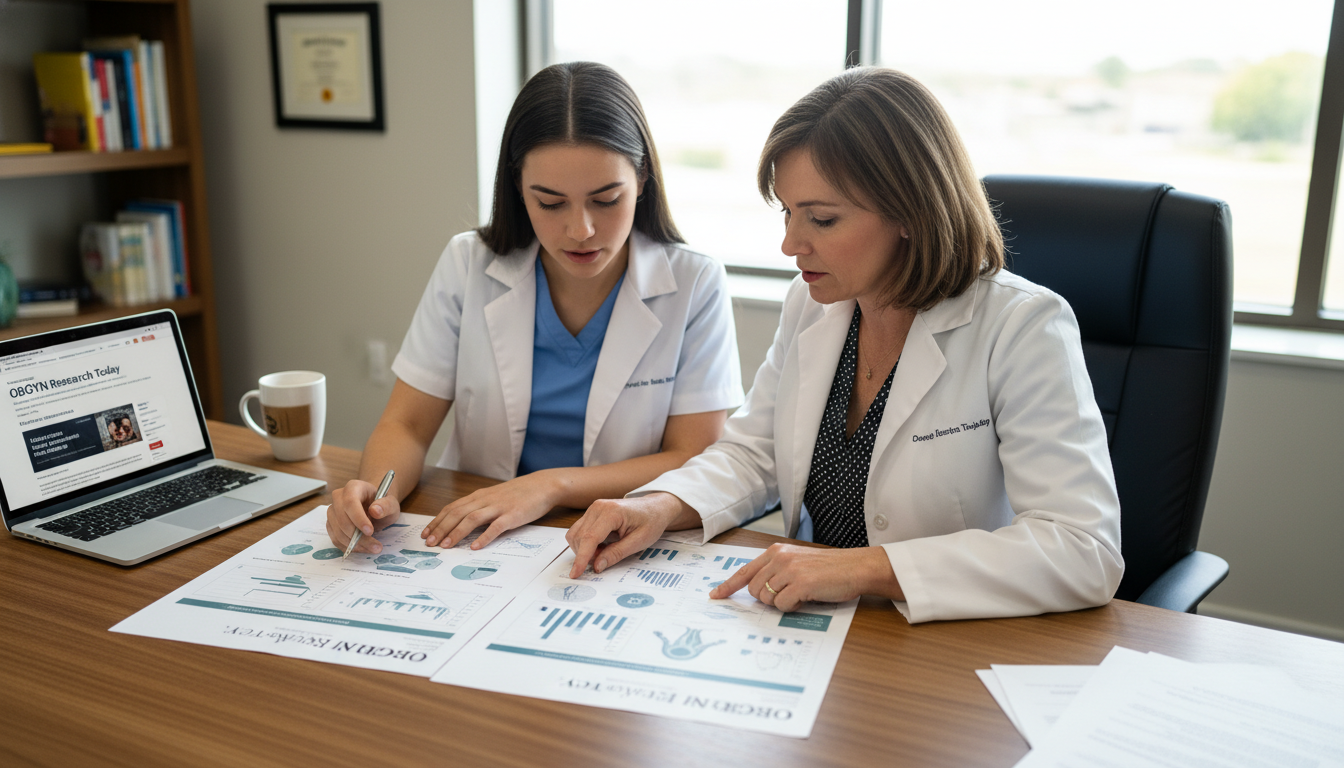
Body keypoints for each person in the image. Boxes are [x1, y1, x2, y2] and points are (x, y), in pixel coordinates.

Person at [565, 67, 1124, 624]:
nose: (790, 244)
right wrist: (659, 505)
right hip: (817, 623)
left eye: (822, 219)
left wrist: (866, 568)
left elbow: (1083, 548)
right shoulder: (813, 303)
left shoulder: (1023, 326)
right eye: (788, 212)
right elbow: (755, 453)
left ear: (911, 213)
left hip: (943, 633)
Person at [327, 62, 743, 555]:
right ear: (518, 188)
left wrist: (549, 486)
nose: (581, 230)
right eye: (550, 203)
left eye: (606, 199)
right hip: (481, 531)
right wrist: (377, 492)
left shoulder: (695, 282)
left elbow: (691, 455)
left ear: (642, 178)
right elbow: (408, 425)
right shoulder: (469, 263)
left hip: (614, 536)